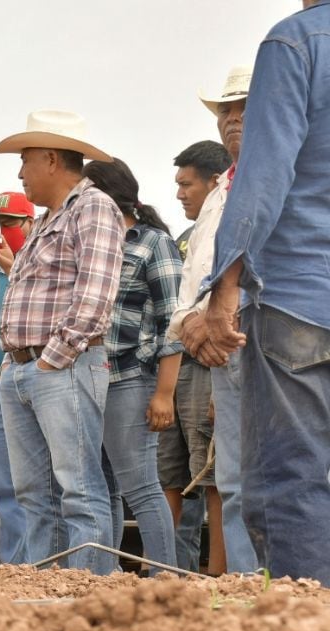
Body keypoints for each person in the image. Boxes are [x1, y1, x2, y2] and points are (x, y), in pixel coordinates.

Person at [196, 2, 330, 582]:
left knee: (290, 478)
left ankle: (309, 624)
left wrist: (225, 287)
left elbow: (264, 173)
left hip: (298, 296)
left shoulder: (298, 42)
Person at [0, 110, 124, 573]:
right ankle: (48, 588)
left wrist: (52, 359)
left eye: (25, 161)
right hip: (27, 367)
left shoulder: (93, 207)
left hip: (61, 365)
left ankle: (85, 590)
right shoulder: (50, 219)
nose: (20, 173)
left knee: (78, 488)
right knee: (35, 494)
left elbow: (95, 295)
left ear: (50, 159)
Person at [172, 66, 259, 575]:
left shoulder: (291, 176)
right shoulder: (221, 189)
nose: (233, 119)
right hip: (222, 347)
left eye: (244, 108)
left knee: (287, 470)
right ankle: (252, 586)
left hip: (262, 335)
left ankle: (297, 588)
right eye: (226, 110)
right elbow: (196, 272)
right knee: (232, 478)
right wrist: (189, 324)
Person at [82, 158, 183, 572]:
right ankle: (104, 579)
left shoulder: (153, 243)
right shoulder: (91, 244)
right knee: (101, 487)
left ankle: (163, 577)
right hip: (89, 379)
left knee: (140, 486)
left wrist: (164, 393)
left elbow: (173, 321)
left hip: (130, 378)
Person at [160, 140, 230, 573]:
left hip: (211, 363)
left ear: (215, 182)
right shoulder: (187, 236)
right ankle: (166, 569)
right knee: (172, 473)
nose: (180, 193)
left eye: (187, 184)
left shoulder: (229, 226)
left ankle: (220, 573)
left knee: (214, 474)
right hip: (178, 360)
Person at [0, 192, 35, 565]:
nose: (4, 232)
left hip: (31, 373)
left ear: (30, 223)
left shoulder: (37, 263)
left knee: (34, 482)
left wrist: (12, 266)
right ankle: (14, 567)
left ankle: (40, 563)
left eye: (11, 223)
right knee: (3, 485)